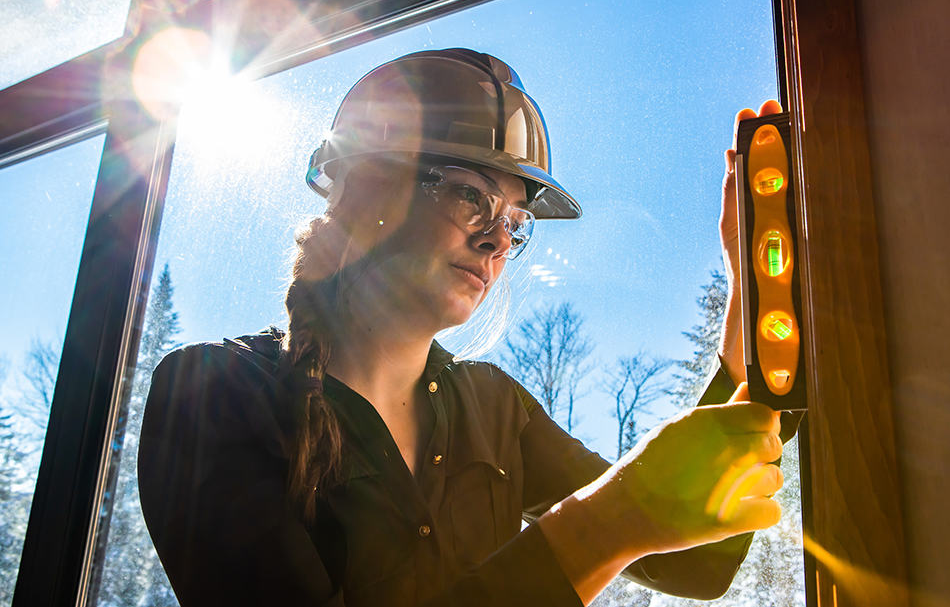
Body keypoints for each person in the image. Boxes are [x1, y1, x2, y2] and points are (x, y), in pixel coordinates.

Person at [138, 48, 785, 607]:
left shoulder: (496, 409)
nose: (496, 240)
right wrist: (603, 524)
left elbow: (699, 560)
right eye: (472, 195)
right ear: (369, 190)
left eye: (515, 221)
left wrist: (751, 337)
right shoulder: (212, 395)